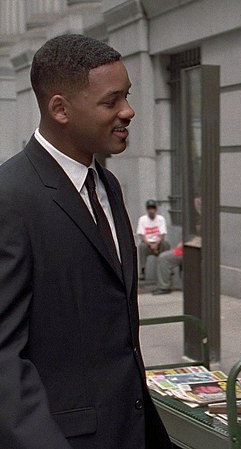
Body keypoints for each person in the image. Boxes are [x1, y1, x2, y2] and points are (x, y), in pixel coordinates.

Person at [0, 34, 171, 448]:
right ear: (60, 109)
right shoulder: (10, 197)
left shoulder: (108, 185)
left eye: (127, 95)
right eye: (111, 102)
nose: (128, 111)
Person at [136, 198, 170, 280]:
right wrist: (150, 244)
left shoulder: (161, 219)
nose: (151, 211)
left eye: (153, 208)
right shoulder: (142, 219)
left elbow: (163, 234)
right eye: (149, 208)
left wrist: (156, 244)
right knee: (141, 246)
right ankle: (143, 270)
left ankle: (168, 268)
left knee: (166, 244)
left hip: (158, 243)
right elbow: (142, 235)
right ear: (147, 209)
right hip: (147, 243)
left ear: (156, 209)